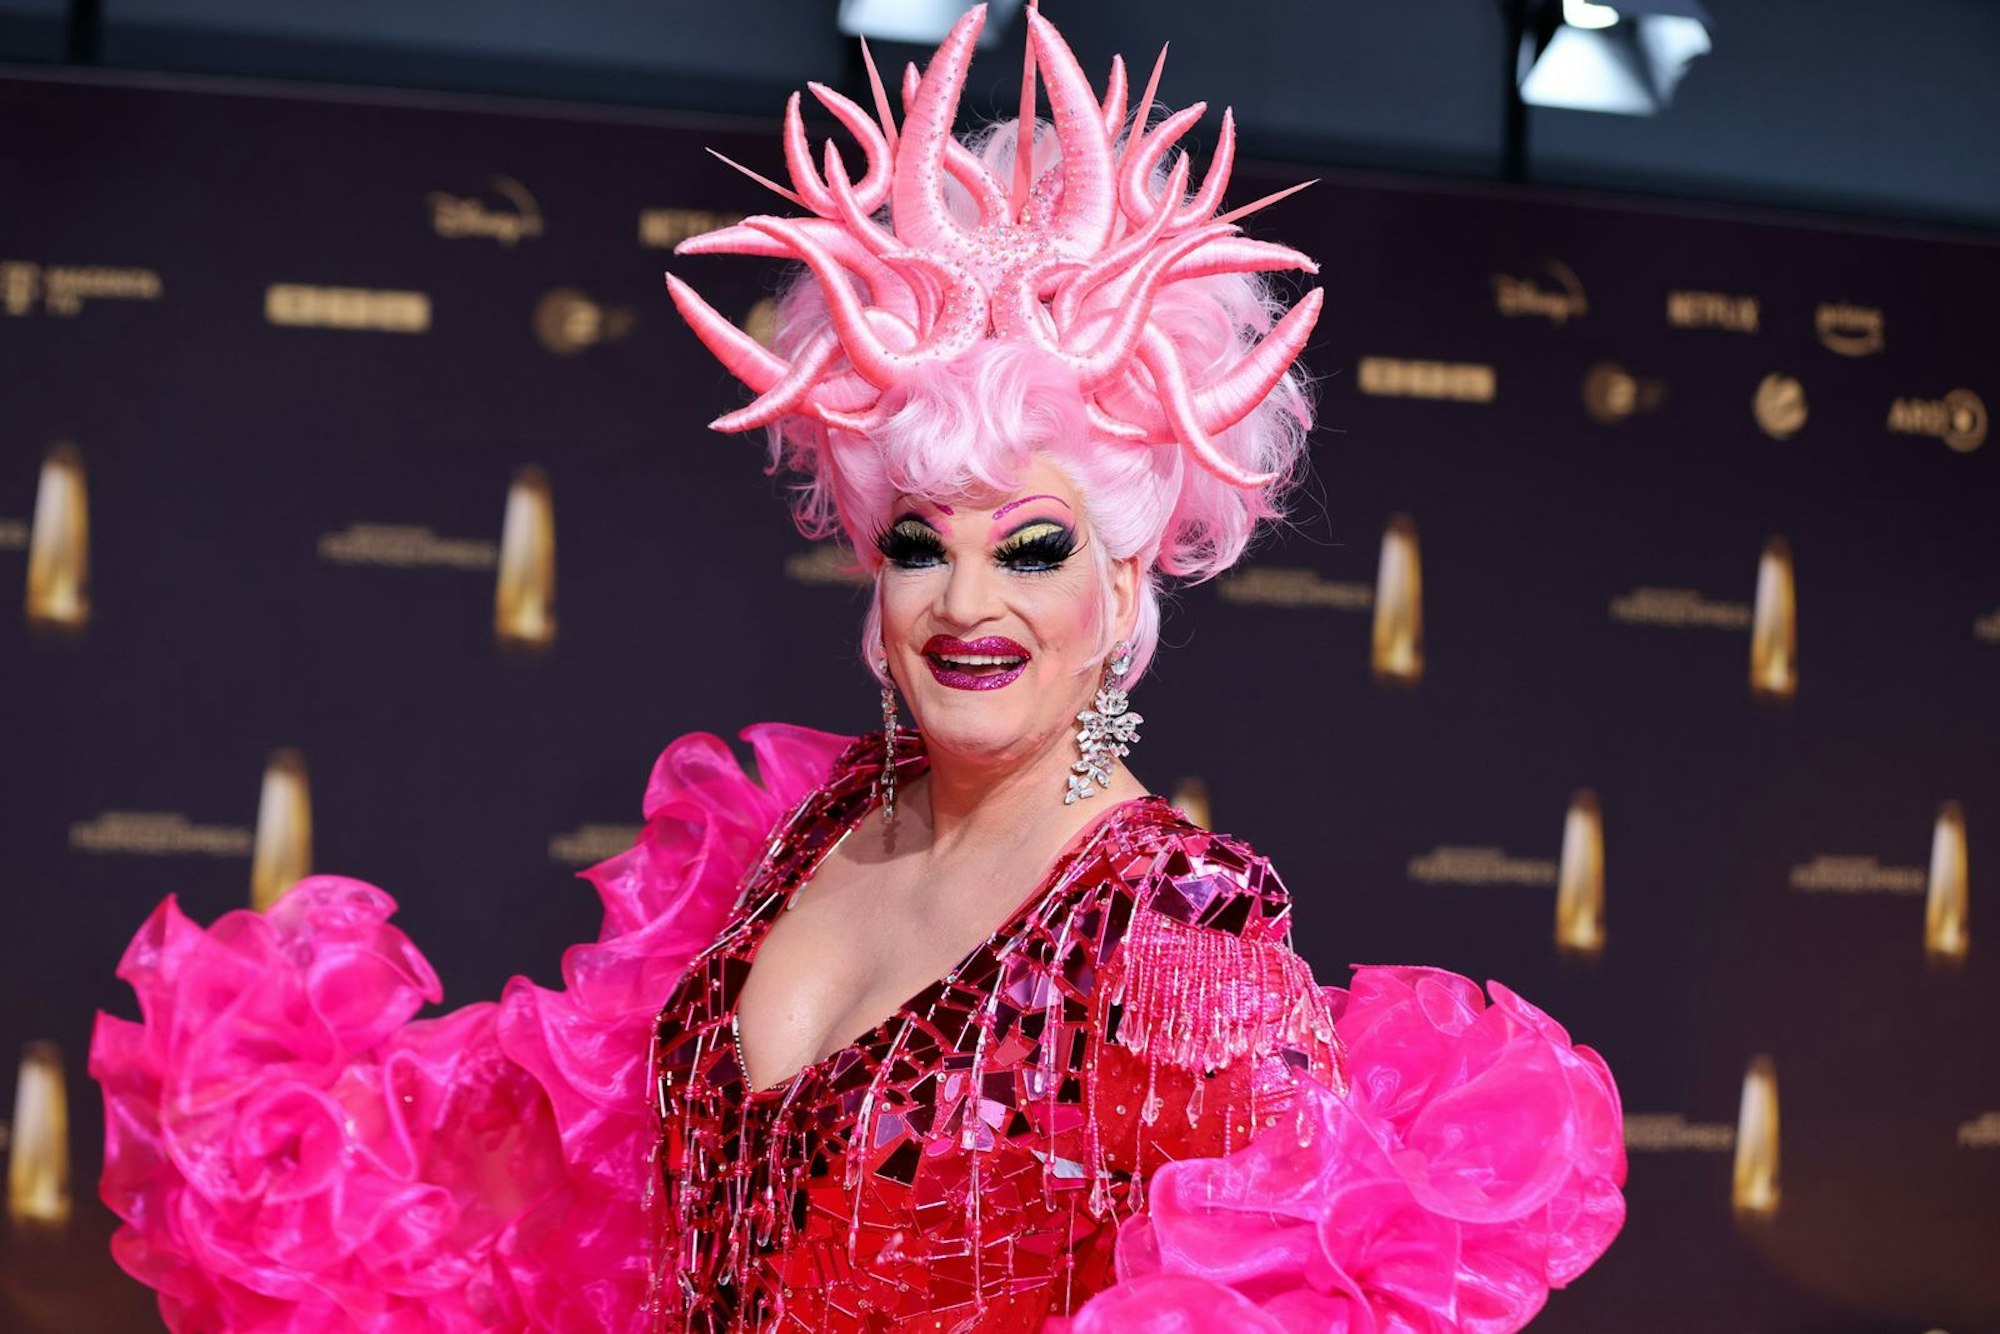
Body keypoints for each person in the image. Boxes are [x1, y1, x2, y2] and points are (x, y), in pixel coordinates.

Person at [91, 7, 1627, 1332]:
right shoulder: (789, 836)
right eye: (916, 541)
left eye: (1030, 546)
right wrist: (284, 1125)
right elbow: (569, 1176)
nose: (967, 601)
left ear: (1126, 575)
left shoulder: (1178, 920)